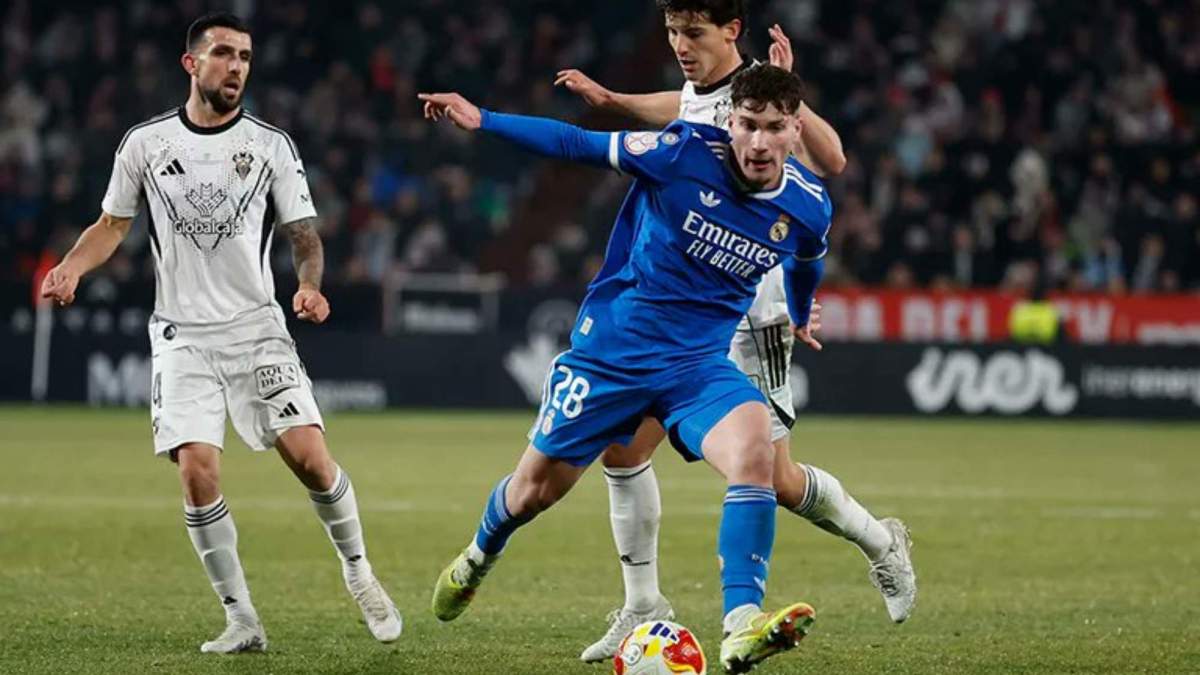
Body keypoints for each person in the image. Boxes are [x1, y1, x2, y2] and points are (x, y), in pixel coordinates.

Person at [421, 64, 831, 674]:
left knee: (755, 449)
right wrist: (484, 119)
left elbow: (805, 261)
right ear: (731, 122)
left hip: (697, 364)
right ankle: (480, 555)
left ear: (795, 131)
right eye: (747, 125)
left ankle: (742, 623)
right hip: (612, 354)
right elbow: (574, 142)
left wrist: (798, 313)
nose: (759, 142)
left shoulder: (808, 205)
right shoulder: (680, 152)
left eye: (774, 128)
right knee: (534, 491)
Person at [554, 0, 915, 660]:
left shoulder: (763, 95)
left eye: (691, 33)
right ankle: (642, 605)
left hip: (754, 310)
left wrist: (798, 106)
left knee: (773, 478)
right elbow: (682, 109)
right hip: (684, 312)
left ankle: (881, 540)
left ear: (731, 32)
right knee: (622, 448)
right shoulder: (702, 90)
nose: (680, 45)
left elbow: (831, 160)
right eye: (671, 32)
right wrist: (611, 99)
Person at [38, 12, 401, 654]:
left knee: (311, 460)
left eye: (246, 57)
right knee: (197, 472)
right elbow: (112, 225)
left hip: (257, 329)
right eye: (226, 55)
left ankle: (360, 572)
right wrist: (70, 265)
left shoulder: (270, 145)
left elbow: (304, 235)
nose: (237, 67)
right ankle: (242, 618)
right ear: (192, 63)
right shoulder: (144, 144)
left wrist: (310, 284)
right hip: (181, 335)